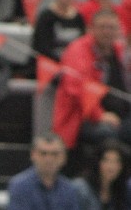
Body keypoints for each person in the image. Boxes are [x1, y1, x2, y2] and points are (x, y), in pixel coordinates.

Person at [52, 9, 126, 151]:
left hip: (119, 113)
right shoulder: (78, 50)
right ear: (90, 29)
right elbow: (77, 90)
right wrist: (100, 115)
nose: (107, 32)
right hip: (83, 117)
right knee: (108, 133)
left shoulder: (119, 50)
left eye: (111, 27)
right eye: (102, 27)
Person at [31, 0, 86, 71]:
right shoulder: (46, 16)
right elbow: (41, 48)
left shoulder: (79, 18)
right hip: (50, 67)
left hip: (73, 66)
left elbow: (83, 45)